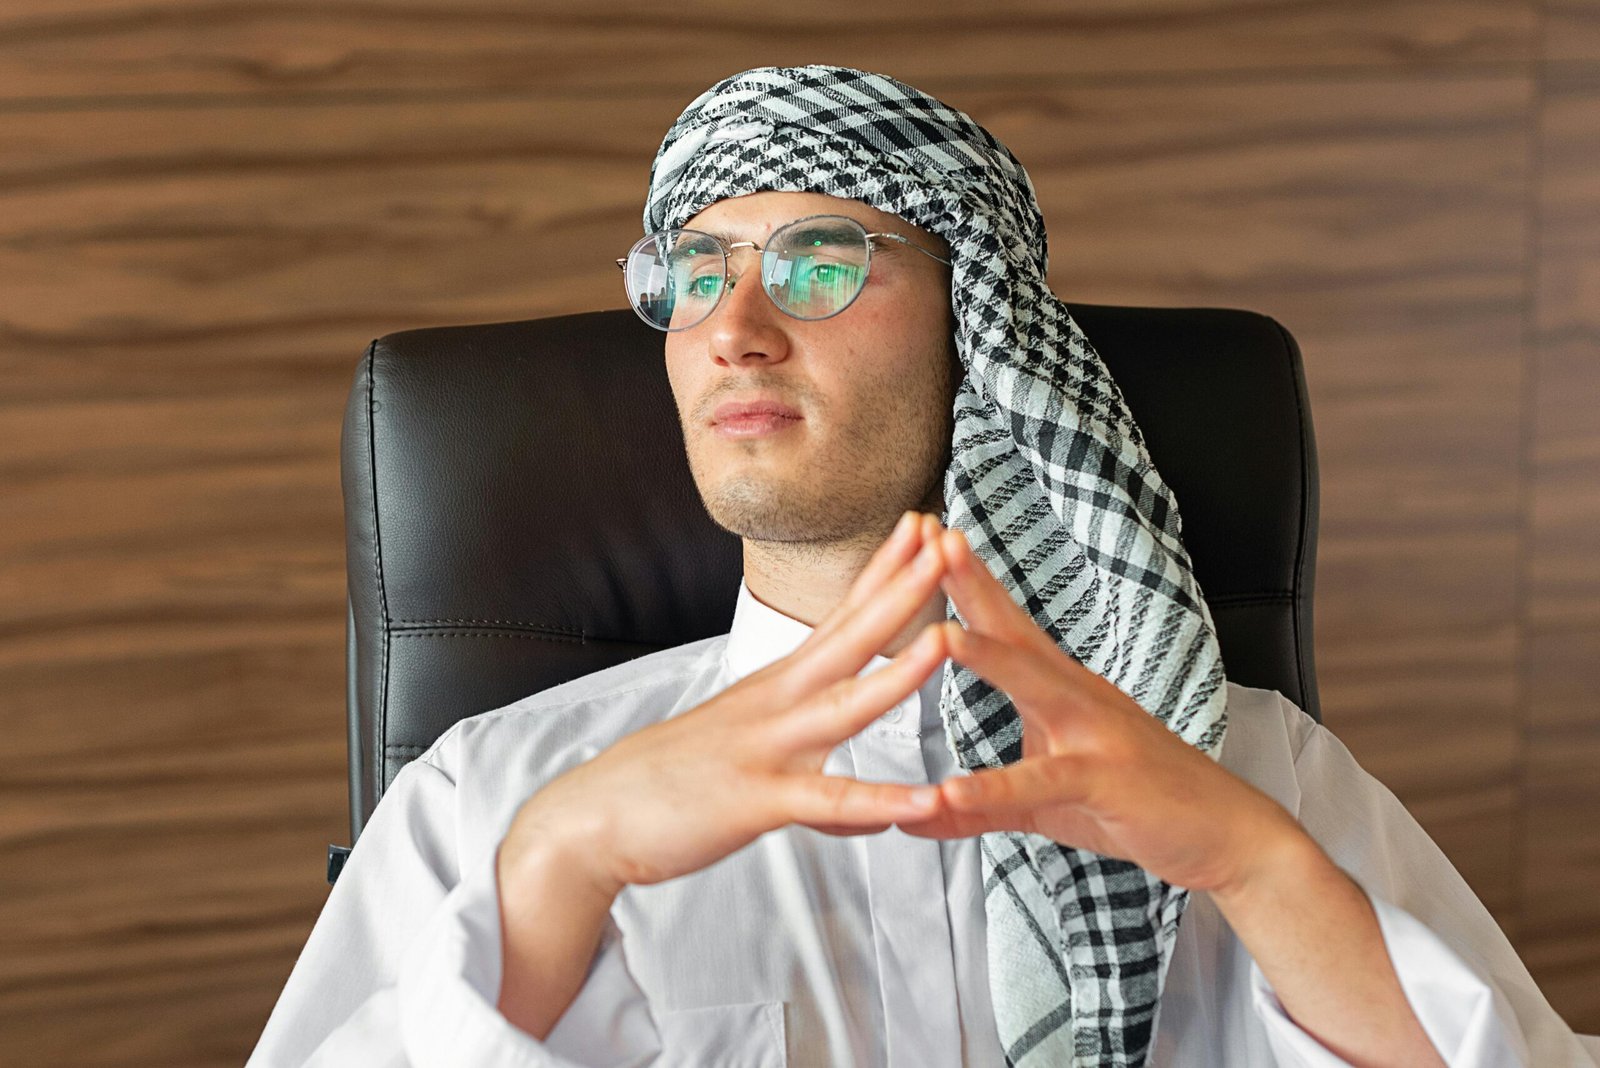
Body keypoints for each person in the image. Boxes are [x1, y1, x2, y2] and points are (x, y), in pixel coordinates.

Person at [246, 66, 1600, 1067]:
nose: (734, 329)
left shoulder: (1254, 770)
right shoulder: (494, 798)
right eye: (694, 273)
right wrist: (555, 877)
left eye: (820, 264)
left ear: (983, 328)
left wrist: (1255, 869)